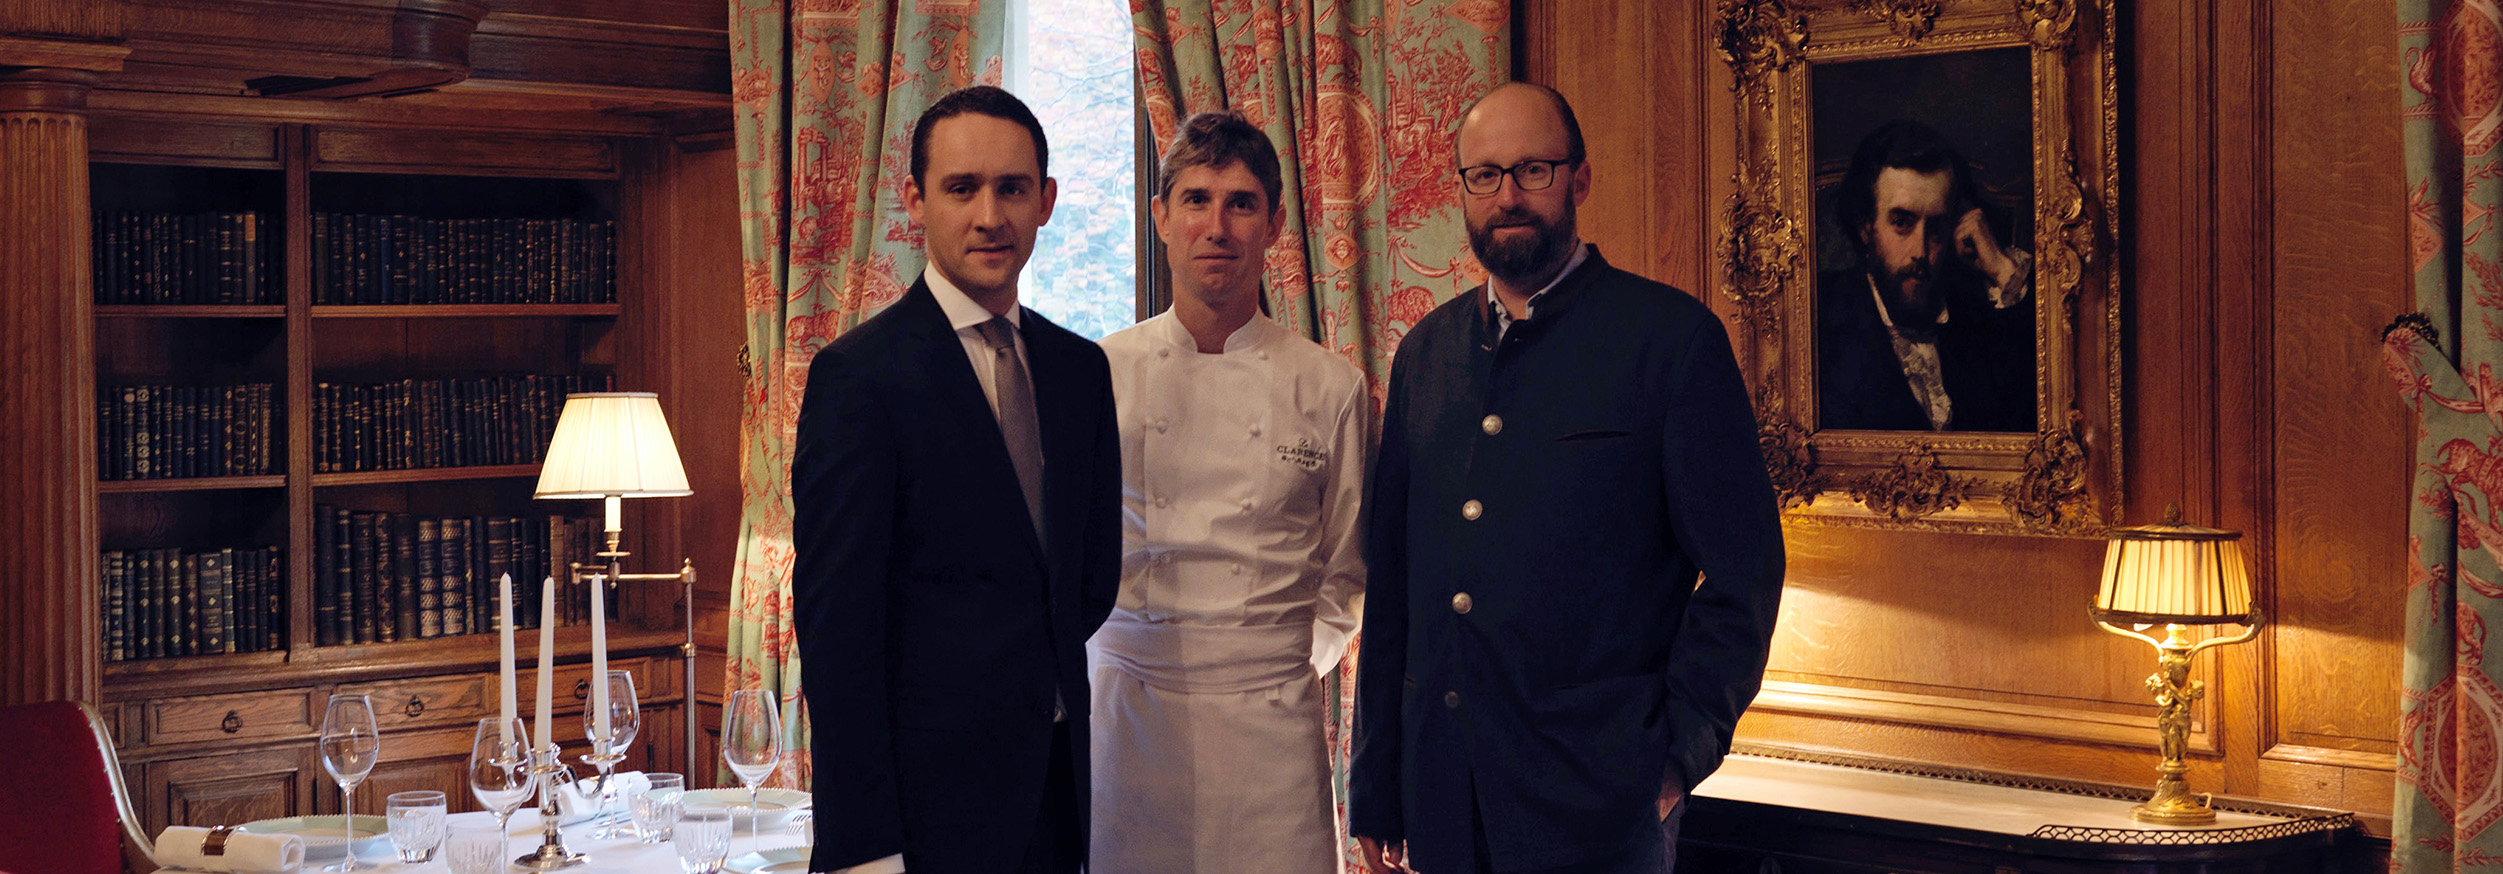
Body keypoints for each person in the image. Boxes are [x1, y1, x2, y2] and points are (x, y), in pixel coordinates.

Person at [1347, 82, 1788, 874]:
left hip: (1598, 808)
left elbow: (1743, 574)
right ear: (1461, 191)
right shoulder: (1425, 354)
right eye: (1484, 175)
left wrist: (1675, 757)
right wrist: (1376, 785)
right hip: (1443, 798)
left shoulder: (1670, 342)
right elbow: (1395, 593)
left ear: (1578, 180)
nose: (1507, 196)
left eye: (1533, 170)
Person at [791, 84, 1120, 874]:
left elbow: (1088, 579)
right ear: (915, 200)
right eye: (962, 188)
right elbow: (837, 635)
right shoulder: (858, 378)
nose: (989, 215)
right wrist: (863, 848)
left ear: (1045, 201)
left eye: (1012, 189)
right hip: (921, 816)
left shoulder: (1080, 369)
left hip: (1057, 795)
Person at [1088, 111, 1370, 873]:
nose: (1216, 226)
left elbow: (1345, 572)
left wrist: (1266, 663)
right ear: (1161, 217)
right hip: (1128, 712)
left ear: (1273, 224)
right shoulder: (1098, 374)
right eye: (1196, 200)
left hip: (1269, 720)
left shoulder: (1330, 386)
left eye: (1241, 203)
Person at [1817, 118, 2035, 432]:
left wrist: (2001, 267)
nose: (1920, 250)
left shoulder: (1977, 318)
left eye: (1936, 228)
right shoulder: (1821, 317)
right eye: (1901, 223)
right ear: (1866, 227)